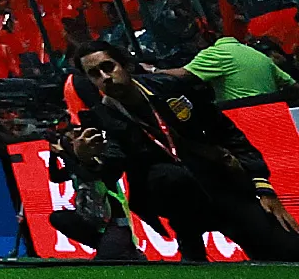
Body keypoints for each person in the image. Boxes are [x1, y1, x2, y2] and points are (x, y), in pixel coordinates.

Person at [75, 43, 299, 261]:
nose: (105, 77)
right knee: (168, 176)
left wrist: (263, 187)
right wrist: (87, 159)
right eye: (95, 74)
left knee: (288, 250)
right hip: (175, 195)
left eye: (108, 67)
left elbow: (226, 132)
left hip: (219, 182)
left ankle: (236, 232)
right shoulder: (101, 116)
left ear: (126, 66)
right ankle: (188, 235)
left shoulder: (170, 87)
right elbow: (113, 167)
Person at [184, 30, 296, 107]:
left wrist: (165, 71)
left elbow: (184, 74)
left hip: (242, 117)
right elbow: (292, 84)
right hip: (275, 114)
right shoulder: (257, 54)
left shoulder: (217, 52)